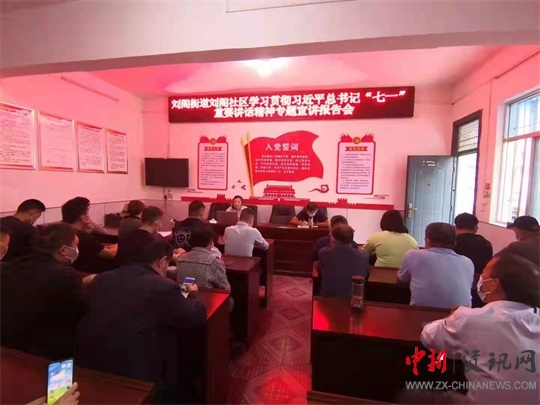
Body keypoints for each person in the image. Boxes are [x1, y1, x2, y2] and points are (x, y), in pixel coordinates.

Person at [76, 239, 207, 404]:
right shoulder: (163, 286)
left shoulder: (104, 277)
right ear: (162, 261)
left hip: (90, 359)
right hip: (135, 367)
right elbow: (196, 315)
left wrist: (180, 292)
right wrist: (189, 293)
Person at [421, 252, 540, 404]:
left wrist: (451, 318)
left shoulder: (469, 319)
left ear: (494, 284)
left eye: (484, 272)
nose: (480, 278)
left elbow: (429, 336)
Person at [1, 223, 86, 360]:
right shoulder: (65, 276)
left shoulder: (9, 267)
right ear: (63, 250)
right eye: (76, 245)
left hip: (7, 346)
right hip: (45, 354)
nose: (77, 250)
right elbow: (81, 311)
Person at [397, 222, 474, 309]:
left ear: (427, 240)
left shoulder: (413, 255)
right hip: (461, 314)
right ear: (455, 242)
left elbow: (401, 281)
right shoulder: (468, 262)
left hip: (422, 312)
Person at [61, 197, 116, 273]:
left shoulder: (60, 232)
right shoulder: (84, 237)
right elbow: (110, 254)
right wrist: (121, 244)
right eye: (87, 213)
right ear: (83, 217)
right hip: (93, 274)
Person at [116, 206, 183, 266]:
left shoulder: (125, 237)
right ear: (157, 223)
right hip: (145, 274)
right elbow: (176, 259)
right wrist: (180, 252)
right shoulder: (155, 242)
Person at [318, 225, 370, 298]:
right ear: (352, 239)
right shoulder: (363, 255)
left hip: (329, 296)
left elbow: (321, 272)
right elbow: (366, 274)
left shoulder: (323, 252)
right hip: (355, 298)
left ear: (332, 239)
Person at [177, 225, 231, 291]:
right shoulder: (215, 262)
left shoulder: (180, 259)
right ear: (211, 242)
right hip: (206, 297)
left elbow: (184, 288)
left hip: (183, 296)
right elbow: (226, 289)